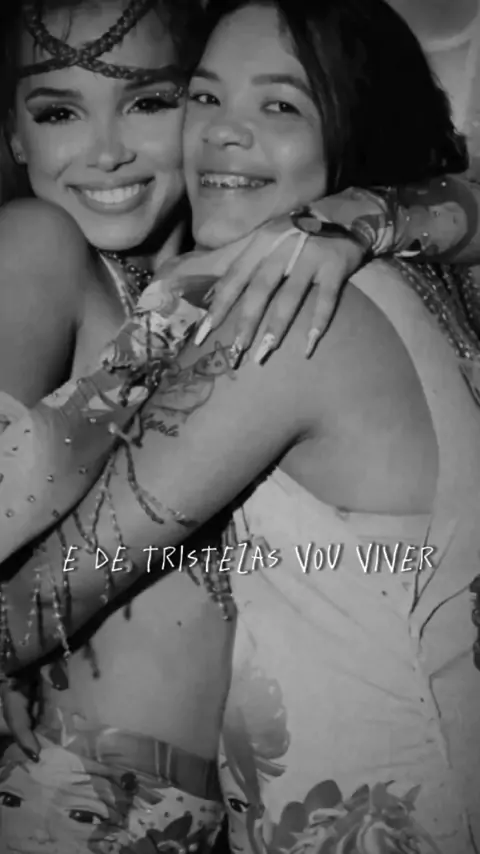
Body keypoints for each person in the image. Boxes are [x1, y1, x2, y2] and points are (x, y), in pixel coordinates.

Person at [1, 0, 480, 852]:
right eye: (206, 97)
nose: (223, 130)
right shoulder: (52, 248)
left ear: (352, 124)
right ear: (13, 135)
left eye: (152, 101)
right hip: (72, 794)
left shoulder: (293, 298)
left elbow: (50, 598)